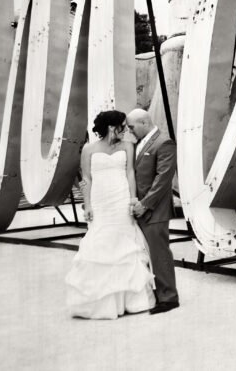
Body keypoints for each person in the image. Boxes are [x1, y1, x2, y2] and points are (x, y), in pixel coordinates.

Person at [65, 110, 155, 319]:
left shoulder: (127, 146)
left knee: (124, 244)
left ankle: (130, 301)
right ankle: (100, 302)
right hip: (100, 200)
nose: (125, 130)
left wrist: (132, 199)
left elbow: (130, 172)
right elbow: (85, 177)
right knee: (100, 241)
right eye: (122, 126)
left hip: (121, 198)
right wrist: (87, 204)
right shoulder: (89, 149)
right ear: (110, 127)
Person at [126, 108, 180, 314]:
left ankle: (169, 298)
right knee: (148, 253)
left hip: (155, 210)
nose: (130, 131)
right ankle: (157, 294)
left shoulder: (164, 143)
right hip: (142, 209)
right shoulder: (139, 143)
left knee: (159, 253)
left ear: (144, 122)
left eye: (132, 127)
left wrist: (145, 204)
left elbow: (163, 180)